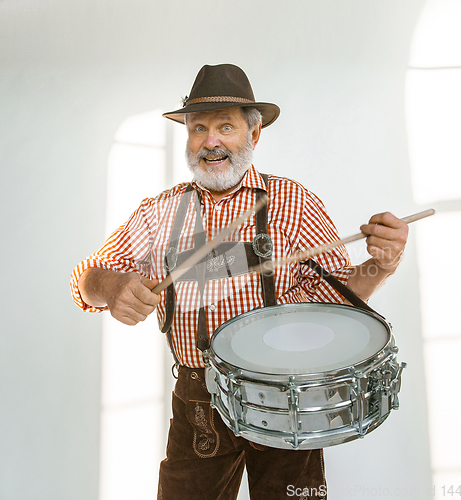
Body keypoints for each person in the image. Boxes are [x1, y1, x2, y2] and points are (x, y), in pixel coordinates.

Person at [70, 64, 408, 500]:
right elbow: (86, 277)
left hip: (287, 398)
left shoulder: (292, 201)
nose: (211, 142)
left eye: (225, 126)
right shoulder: (159, 213)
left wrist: (382, 265)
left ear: (255, 134)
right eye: (199, 129)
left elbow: (338, 296)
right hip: (198, 403)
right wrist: (112, 288)